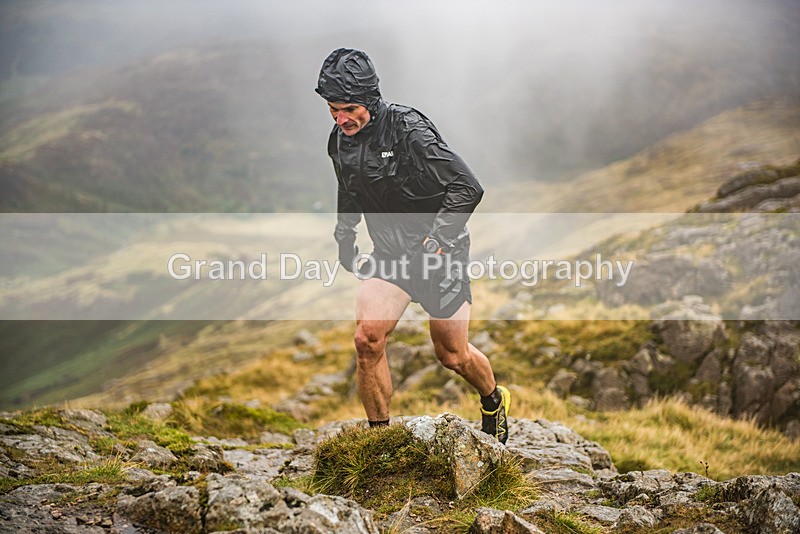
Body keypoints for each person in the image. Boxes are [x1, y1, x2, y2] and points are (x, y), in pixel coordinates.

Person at [315, 48, 511, 444]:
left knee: (452, 355)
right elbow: (348, 188)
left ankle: (493, 399)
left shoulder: (408, 129)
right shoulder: (341, 140)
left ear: (370, 100)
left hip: (440, 255)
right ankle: (381, 443)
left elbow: (467, 187)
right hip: (389, 257)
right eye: (333, 110)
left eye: (349, 109)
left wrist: (437, 240)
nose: (341, 119)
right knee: (367, 341)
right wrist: (345, 238)